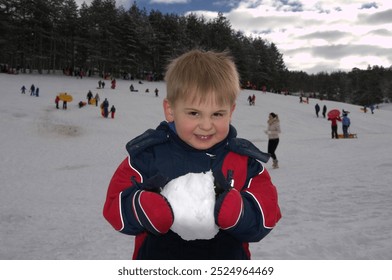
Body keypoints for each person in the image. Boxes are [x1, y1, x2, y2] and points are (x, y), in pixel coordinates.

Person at [103, 50, 281, 260]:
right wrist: (142, 207)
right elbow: (114, 206)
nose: (206, 125)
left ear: (231, 112)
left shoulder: (243, 160)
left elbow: (268, 212)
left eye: (217, 114)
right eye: (194, 113)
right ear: (171, 110)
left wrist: (240, 212)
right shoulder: (148, 156)